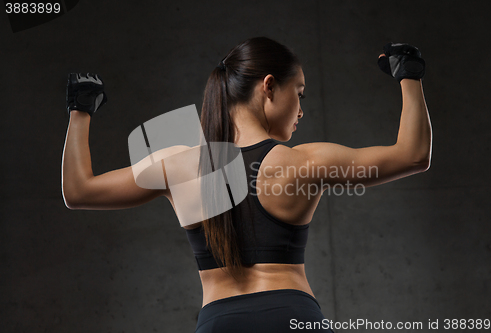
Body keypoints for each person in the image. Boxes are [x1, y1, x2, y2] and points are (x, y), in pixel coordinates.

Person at [62, 37, 432, 332]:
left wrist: (81, 110)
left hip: (220, 322)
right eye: (298, 94)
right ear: (269, 86)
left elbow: (78, 191)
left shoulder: (176, 165)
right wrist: (408, 75)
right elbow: (413, 154)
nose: (301, 110)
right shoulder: (303, 162)